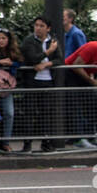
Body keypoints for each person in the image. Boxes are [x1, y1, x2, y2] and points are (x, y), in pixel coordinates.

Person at [20, 16, 63, 151]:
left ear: (48, 28)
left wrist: (47, 64)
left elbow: (60, 59)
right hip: (32, 82)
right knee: (30, 113)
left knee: (46, 113)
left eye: (41, 26)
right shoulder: (29, 41)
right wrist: (48, 51)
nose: (38, 28)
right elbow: (32, 58)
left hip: (48, 81)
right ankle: (27, 144)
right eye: (36, 25)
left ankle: (46, 142)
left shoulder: (53, 41)